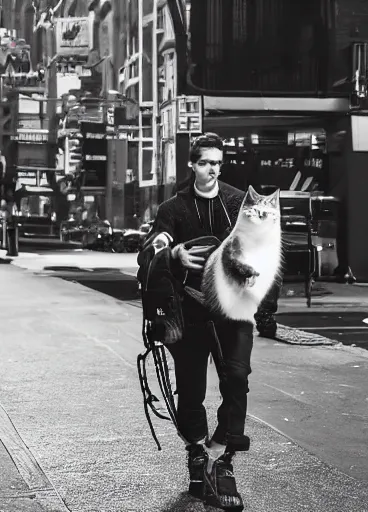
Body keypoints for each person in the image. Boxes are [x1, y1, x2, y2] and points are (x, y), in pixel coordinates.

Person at [137, 133, 253, 511]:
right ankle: (197, 455)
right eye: (205, 162)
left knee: (236, 377)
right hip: (189, 310)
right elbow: (149, 249)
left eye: (218, 163)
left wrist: (263, 302)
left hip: (232, 309)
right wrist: (173, 252)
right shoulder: (174, 207)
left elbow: (261, 245)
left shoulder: (236, 201)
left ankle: (222, 459)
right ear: (192, 165)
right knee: (190, 392)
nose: (212, 169)